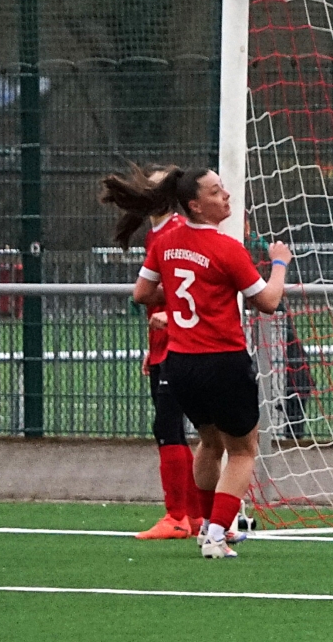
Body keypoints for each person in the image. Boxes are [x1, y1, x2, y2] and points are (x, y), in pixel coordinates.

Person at [108, 165, 291, 558]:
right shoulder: (227, 249)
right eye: (215, 191)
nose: (226, 195)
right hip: (223, 361)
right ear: (194, 204)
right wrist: (279, 263)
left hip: (181, 363)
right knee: (242, 450)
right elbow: (268, 301)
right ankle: (217, 534)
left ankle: (207, 525)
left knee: (209, 443)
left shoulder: (165, 242)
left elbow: (142, 293)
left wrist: (179, 297)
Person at [99, 168, 205, 540]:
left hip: (183, 345)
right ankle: (193, 516)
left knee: (169, 427)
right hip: (166, 346)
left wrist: (172, 321)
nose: (143, 184)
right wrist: (154, 346)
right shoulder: (156, 234)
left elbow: (192, 290)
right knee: (171, 428)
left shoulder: (177, 232)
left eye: (153, 181)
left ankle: (177, 516)